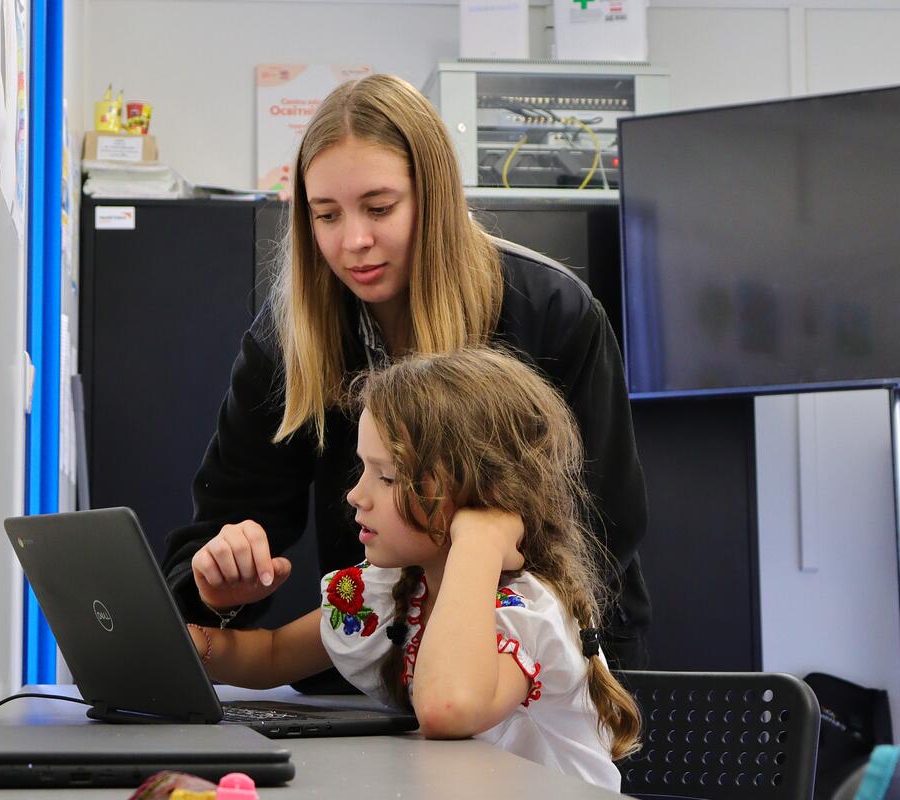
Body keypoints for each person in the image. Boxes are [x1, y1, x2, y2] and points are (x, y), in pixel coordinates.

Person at [161, 73, 649, 669]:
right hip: (379, 669)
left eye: (379, 208)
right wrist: (217, 587)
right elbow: (222, 528)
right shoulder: (289, 342)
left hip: (545, 667)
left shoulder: (553, 313)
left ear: (434, 196)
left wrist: (458, 610)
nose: (353, 241)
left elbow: (603, 528)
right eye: (326, 216)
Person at [185, 348, 641, 789]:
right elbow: (272, 657)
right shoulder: (393, 590)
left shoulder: (528, 612)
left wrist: (479, 540)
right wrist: (186, 641)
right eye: (363, 469)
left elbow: (447, 708)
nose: (356, 496)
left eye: (386, 477)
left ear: (477, 489)